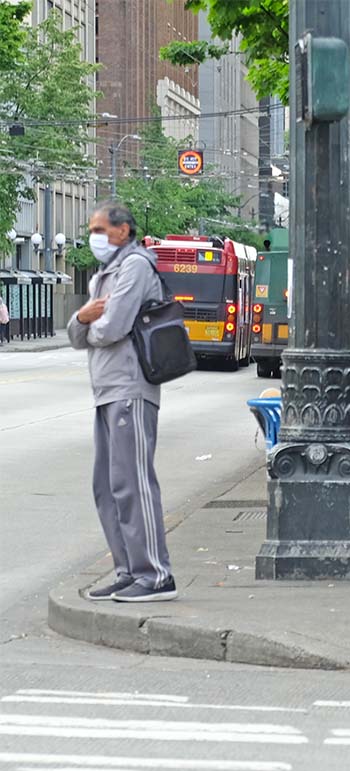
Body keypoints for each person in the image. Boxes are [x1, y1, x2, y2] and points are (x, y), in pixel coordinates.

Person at [67, 203, 176, 601]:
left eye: (100, 228)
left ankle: (156, 575)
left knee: (133, 483)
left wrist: (87, 322)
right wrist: (83, 319)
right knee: (107, 486)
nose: (93, 235)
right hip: (106, 389)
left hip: (131, 387)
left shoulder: (134, 266)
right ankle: (128, 569)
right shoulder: (104, 274)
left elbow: (112, 328)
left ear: (123, 230)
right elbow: (79, 330)